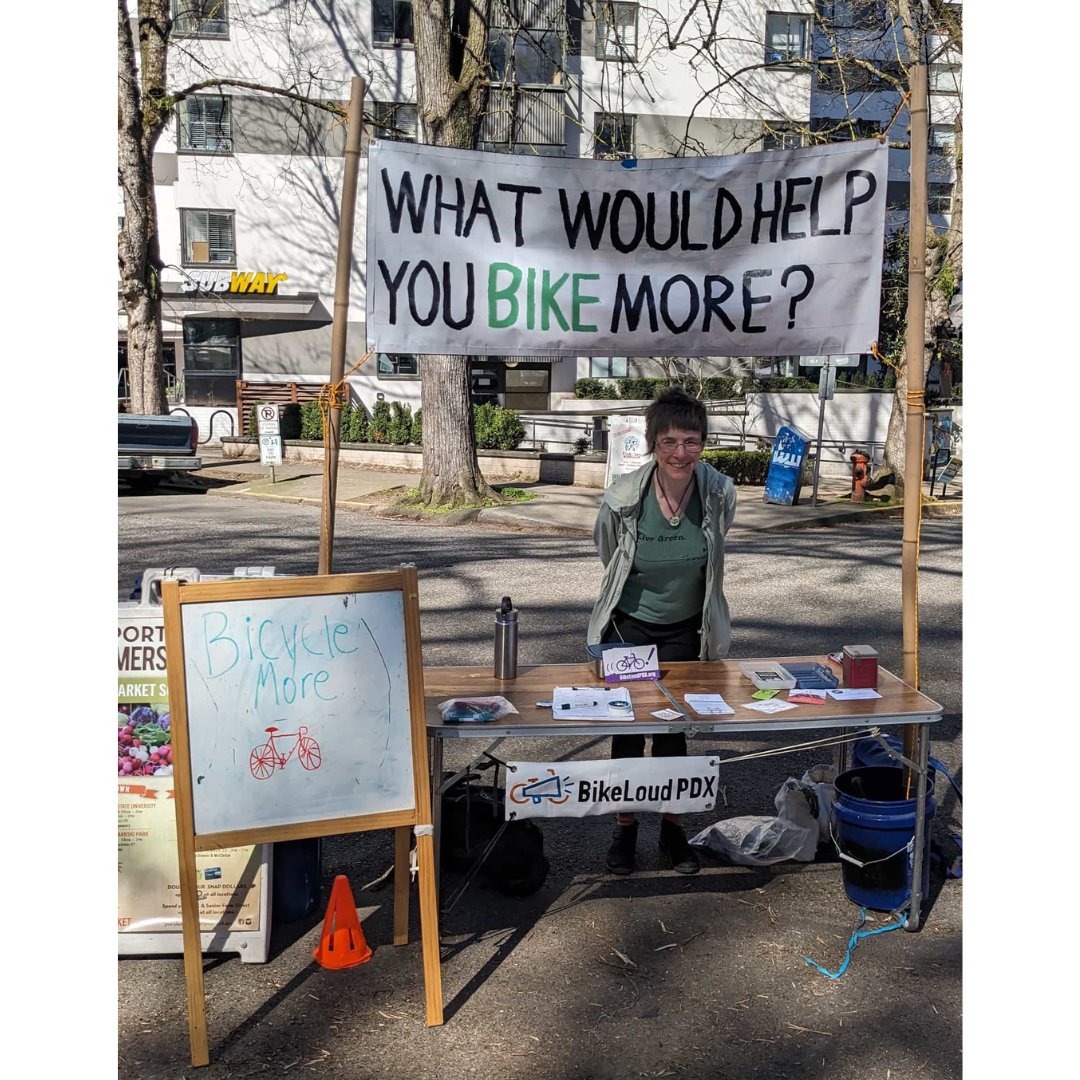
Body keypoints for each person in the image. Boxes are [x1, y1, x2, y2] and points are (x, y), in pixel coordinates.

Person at [587, 387, 737, 875]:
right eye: (669, 441)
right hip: (630, 627)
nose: (680, 453)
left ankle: (673, 830)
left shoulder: (718, 492)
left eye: (691, 442)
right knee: (629, 731)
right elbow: (609, 552)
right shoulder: (625, 497)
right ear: (652, 443)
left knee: (674, 730)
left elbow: (715, 551)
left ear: (703, 443)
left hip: (686, 631)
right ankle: (624, 830)